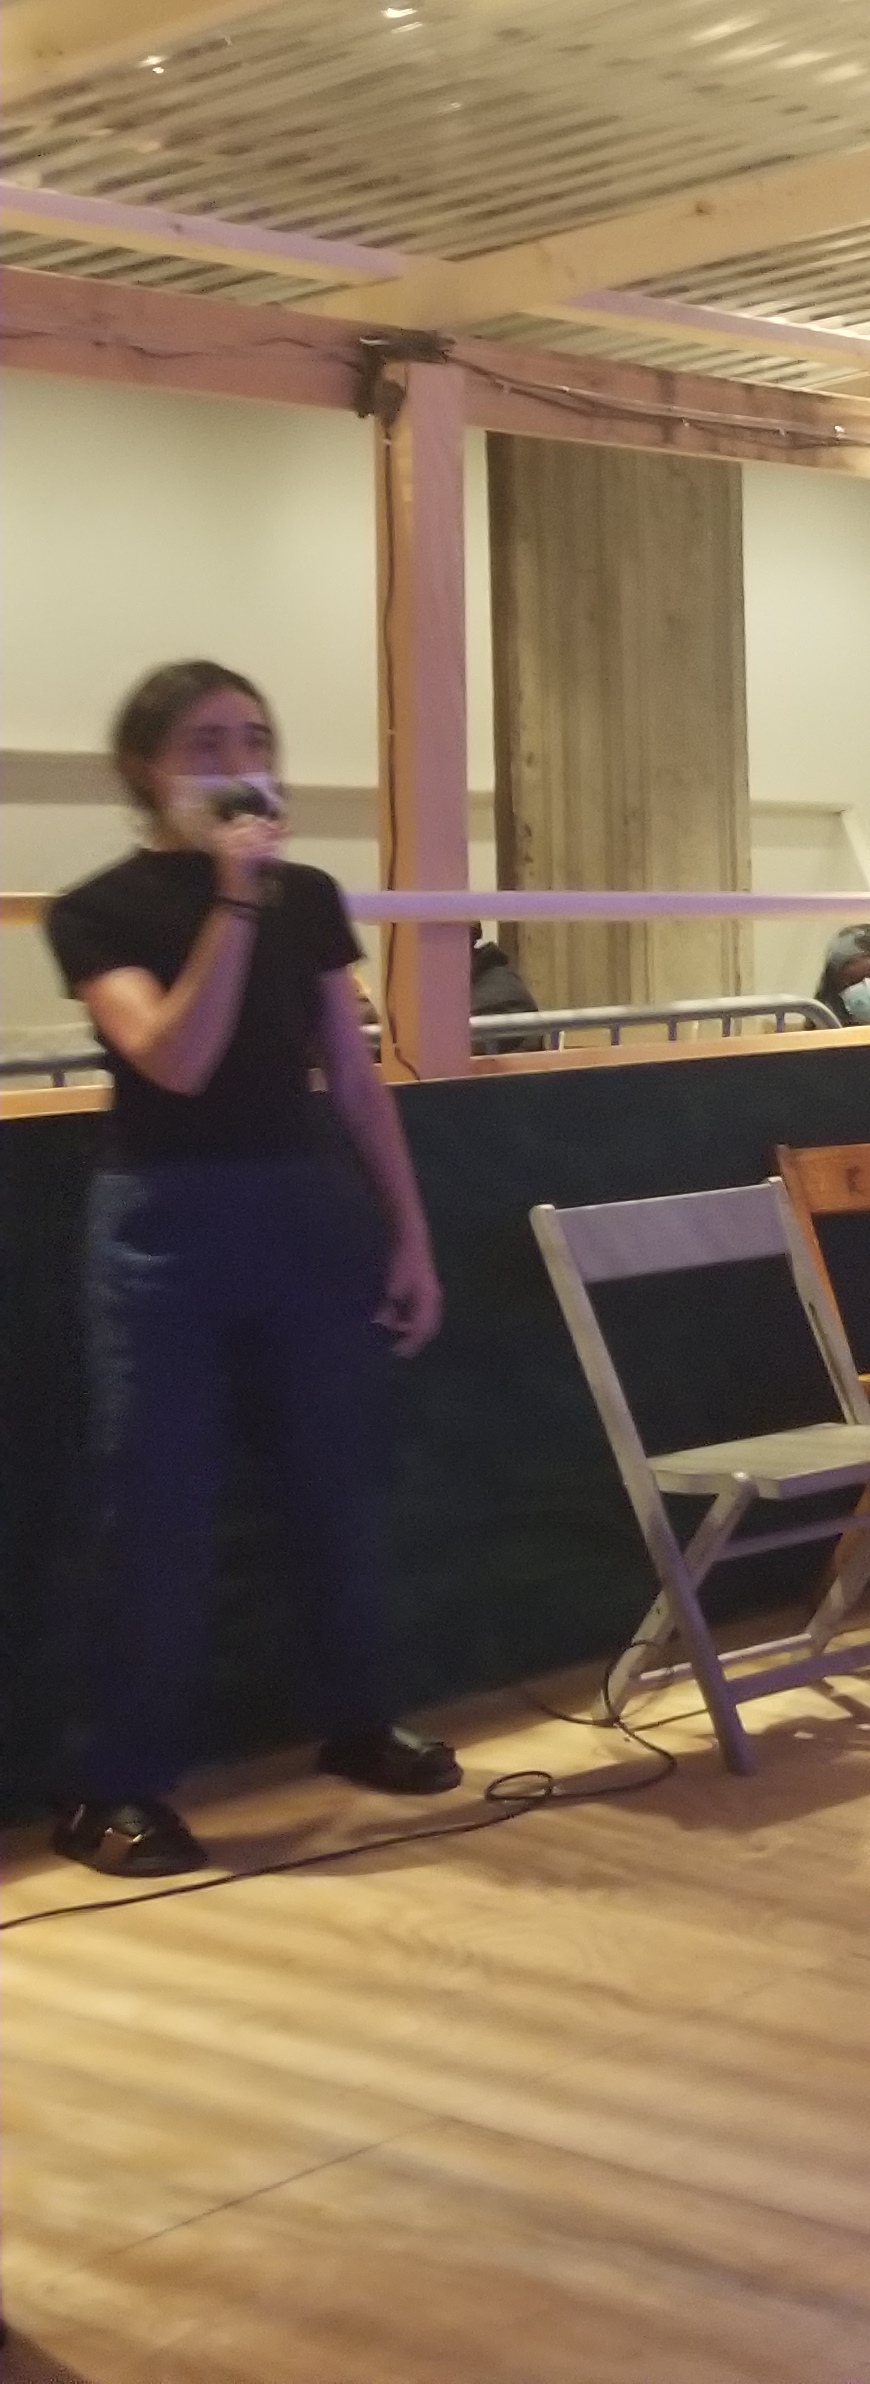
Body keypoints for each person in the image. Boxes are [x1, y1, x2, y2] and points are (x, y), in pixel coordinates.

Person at [43, 662, 458, 1878]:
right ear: (147, 770)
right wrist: (231, 903)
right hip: (164, 1221)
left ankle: (356, 1717)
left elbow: (357, 1075)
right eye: (208, 743)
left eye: (256, 738)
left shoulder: (311, 897)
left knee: (334, 1477)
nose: (239, 764)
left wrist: (411, 1235)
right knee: (155, 1503)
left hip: (303, 1206)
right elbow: (173, 1058)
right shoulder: (100, 911)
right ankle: (113, 1784)